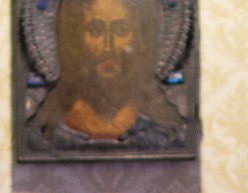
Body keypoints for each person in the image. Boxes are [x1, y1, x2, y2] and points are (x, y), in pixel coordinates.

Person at [26, 0, 186, 147]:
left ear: (140, 41)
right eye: (95, 30)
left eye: (121, 30)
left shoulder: (164, 135)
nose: (108, 47)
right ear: (76, 40)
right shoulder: (44, 135)